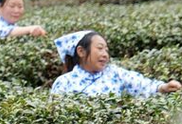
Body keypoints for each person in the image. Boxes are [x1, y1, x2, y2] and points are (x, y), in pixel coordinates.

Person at [50, 30, 182, 97]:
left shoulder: (114, 73)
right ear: (81, 51)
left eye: (106, 50)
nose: (105, 54)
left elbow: (140, 84)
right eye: (100, 48)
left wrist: (163, 87)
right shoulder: (64, 82)